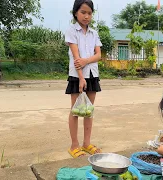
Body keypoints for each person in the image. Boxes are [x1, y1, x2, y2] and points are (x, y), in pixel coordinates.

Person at [65, 0, 102, 158]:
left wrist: (87, 60)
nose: (86, 16)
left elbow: (98, 55)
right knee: (75, 111)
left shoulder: (94, 33)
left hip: (92, 75)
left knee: (88, 110)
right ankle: (74, 145)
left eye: (89, 13)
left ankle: (87, 143)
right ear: (75, 13)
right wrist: (81, 78)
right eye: (83, 12)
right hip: (77, 76)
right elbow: (76, 57)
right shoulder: (72, 31)